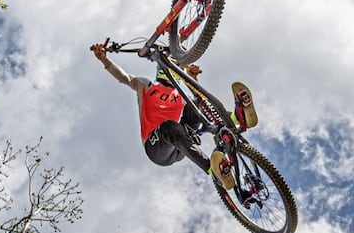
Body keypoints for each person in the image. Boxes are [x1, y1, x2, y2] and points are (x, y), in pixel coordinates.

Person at [91, 41, 256, 189]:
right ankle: (213, 171)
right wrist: (104, 60)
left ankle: (235, 119)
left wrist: (192, 79)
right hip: (156, 147)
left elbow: (201, 104)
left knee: (196, 104)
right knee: (170, 126)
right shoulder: (146, 86)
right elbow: (125, 78)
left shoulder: (180, 94)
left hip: (180, 142)